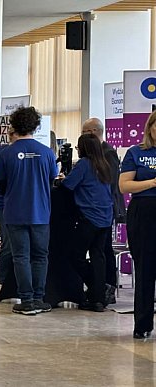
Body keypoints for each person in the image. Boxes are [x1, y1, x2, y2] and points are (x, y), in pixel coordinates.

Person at [0, 106, 58, 315]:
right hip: (40, 212)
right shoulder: (47, 153)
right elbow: (51, 180)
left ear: (14, 126)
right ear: (36, 126)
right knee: (41, 256)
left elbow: (1, 184)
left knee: (20, 256)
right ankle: (39, 298)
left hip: (14, 211)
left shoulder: (6, 154)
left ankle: (27, 299)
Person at [62, 133, 113, 312]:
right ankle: (98, 297)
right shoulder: (104, 165)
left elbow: (67, 185)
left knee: (75, 254)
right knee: (98, 256)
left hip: (89, 217)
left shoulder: (84, 164)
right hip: (106, 217)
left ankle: (96, 287)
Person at [119, 109, 156, 339]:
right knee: (145, 268)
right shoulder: (136, 153)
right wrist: (152, 182)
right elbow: (124, 186)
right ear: (150, 127)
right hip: (143, 211)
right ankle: (142, 324)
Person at [81, 117, 124, 305]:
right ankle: (100, 286)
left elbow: (111, 182)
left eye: (84, 133)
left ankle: (108, 286)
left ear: (93, 132)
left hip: (105, 209)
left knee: (104, 250)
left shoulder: (108, 153)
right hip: (99, 209)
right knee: (100, 250)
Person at [0, 128, 18, 287]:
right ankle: (4, 279)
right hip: (4, 203)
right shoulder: (1, 151)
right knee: (7, 241)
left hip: (22, 204)